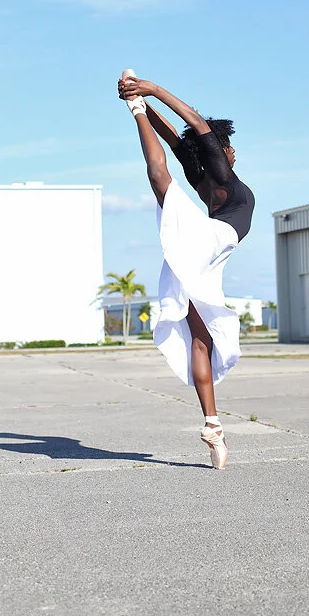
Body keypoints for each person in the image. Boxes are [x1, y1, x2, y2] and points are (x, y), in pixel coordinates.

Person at [117, 70, 255, 469]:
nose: (233, 153)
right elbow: (193, 123)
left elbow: (175, 138)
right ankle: (135, 107)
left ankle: (213, 427)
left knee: (201, 340)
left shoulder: (198, 174)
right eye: (228, 147)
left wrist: (142, 104)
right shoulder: (222, 172)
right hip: (209, 241)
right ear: (219, 151)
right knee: (160, 176)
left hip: (201, 256)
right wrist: (151, 90)